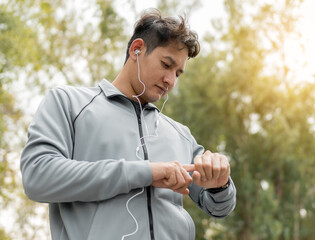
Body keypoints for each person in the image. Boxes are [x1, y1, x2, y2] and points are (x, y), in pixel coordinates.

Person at [20, 9, 236, 240]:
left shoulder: (180, 135)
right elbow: (38, 176)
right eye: (166, 65)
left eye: (178, 73)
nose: (170, 81)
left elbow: (218, 208)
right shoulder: (69, 103)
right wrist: (145, 172)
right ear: (137, 49)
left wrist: (220, 185)